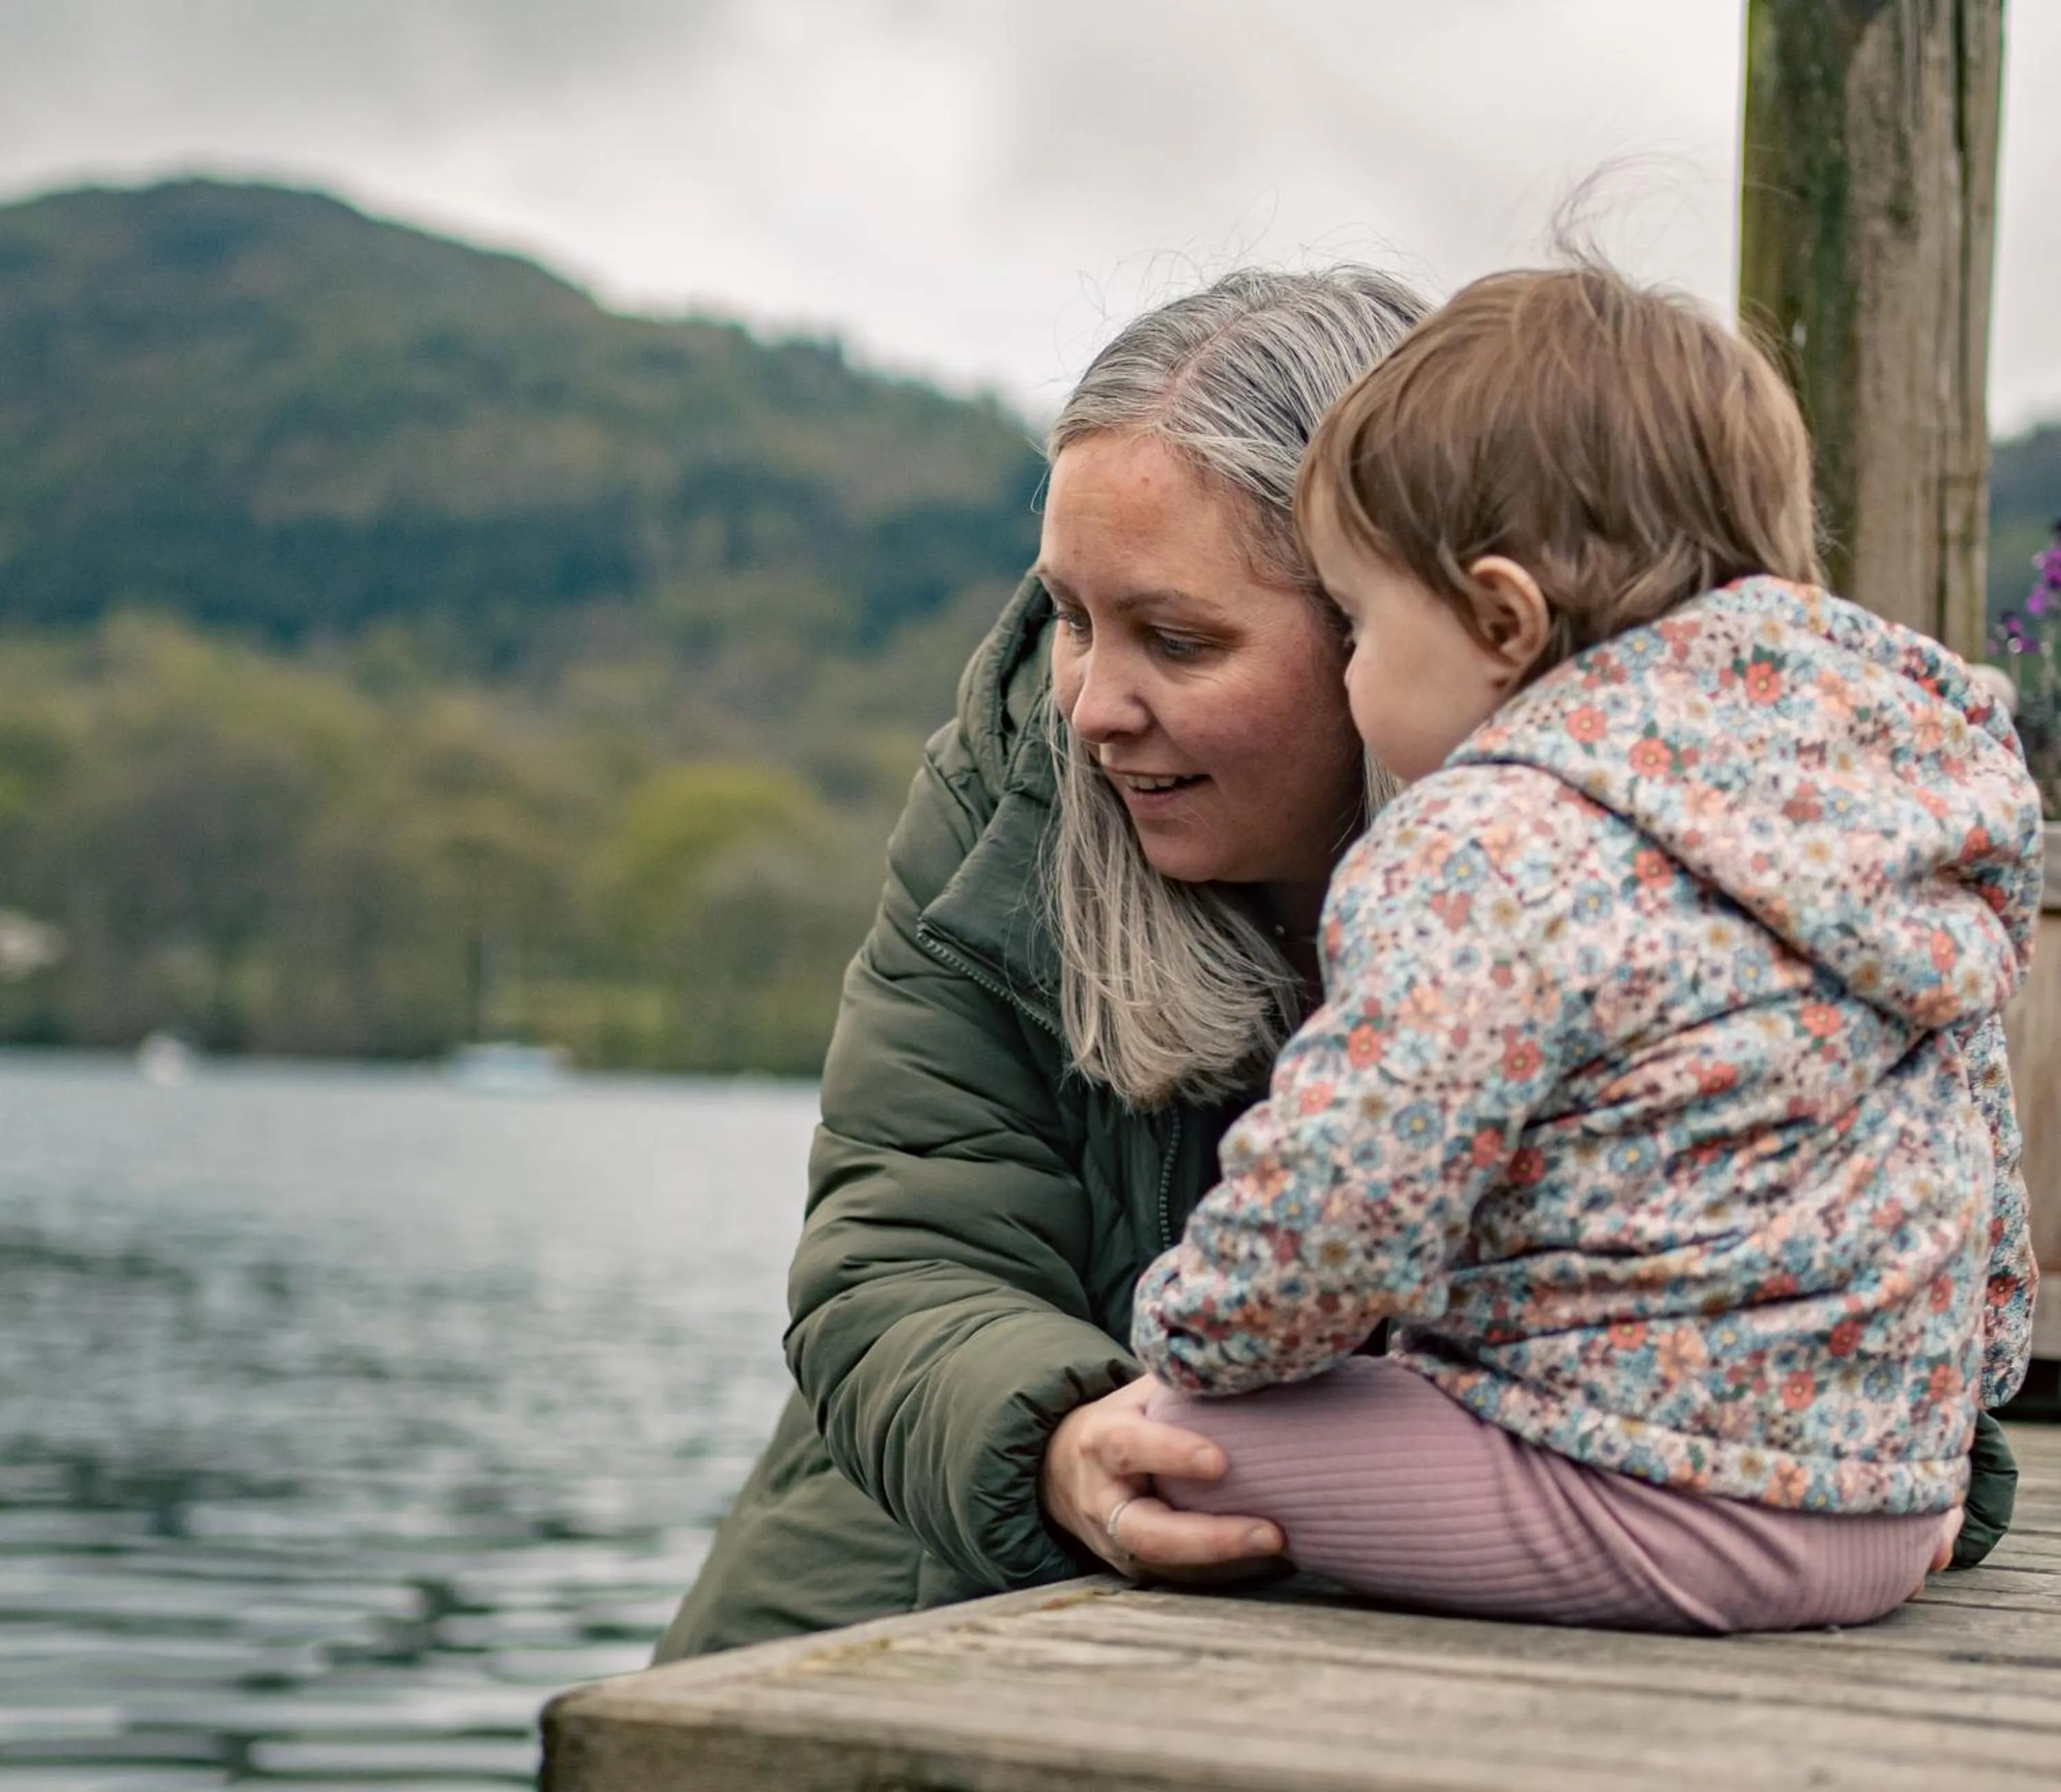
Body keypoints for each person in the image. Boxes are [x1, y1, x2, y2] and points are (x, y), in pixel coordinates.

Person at [655, 266, 2020, 1662]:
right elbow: (899, 1245)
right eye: (1072, 616)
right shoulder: (1000, 804)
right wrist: (1056, 1441)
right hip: (923, 1561)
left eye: (1180, 639)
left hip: (1442, 1579)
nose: (1094, 706)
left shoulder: (1698, 841)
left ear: (1437, 616)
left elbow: (1928, 1199)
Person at [1129, 264, 2042, 1634]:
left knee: (1161, 1449)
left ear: (1501, 621)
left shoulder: (1491, 835)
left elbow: (1352, 1189)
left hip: (1639, 1493)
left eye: (1364, 623)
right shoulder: (1885, 809)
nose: (1353, 670)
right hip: (1897, 1509)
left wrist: (1194, 1341)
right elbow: (1978, 1146)